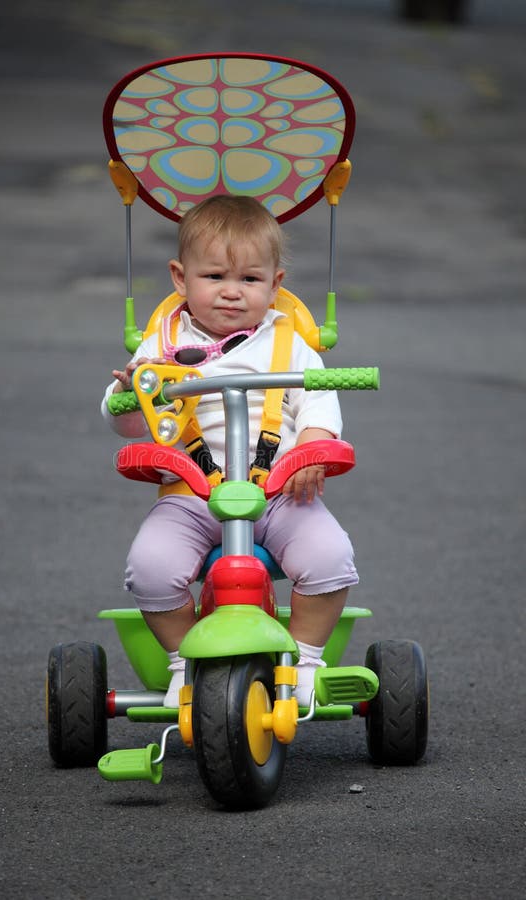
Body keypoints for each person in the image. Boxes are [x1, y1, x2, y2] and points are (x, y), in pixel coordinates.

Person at [101, 195, 358, 707]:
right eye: (215, 277)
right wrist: (133, 390)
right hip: (191, 493)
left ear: (275, 285)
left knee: (331, 558)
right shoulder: (161, 344)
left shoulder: (290, 343)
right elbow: (125, 422)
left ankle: (305, 659)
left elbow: (319, 400)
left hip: (280, 490)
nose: (231, 293)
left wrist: (311, 447)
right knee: (149, 567)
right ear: (181, 278)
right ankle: (182, 661)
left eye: (249, 280)